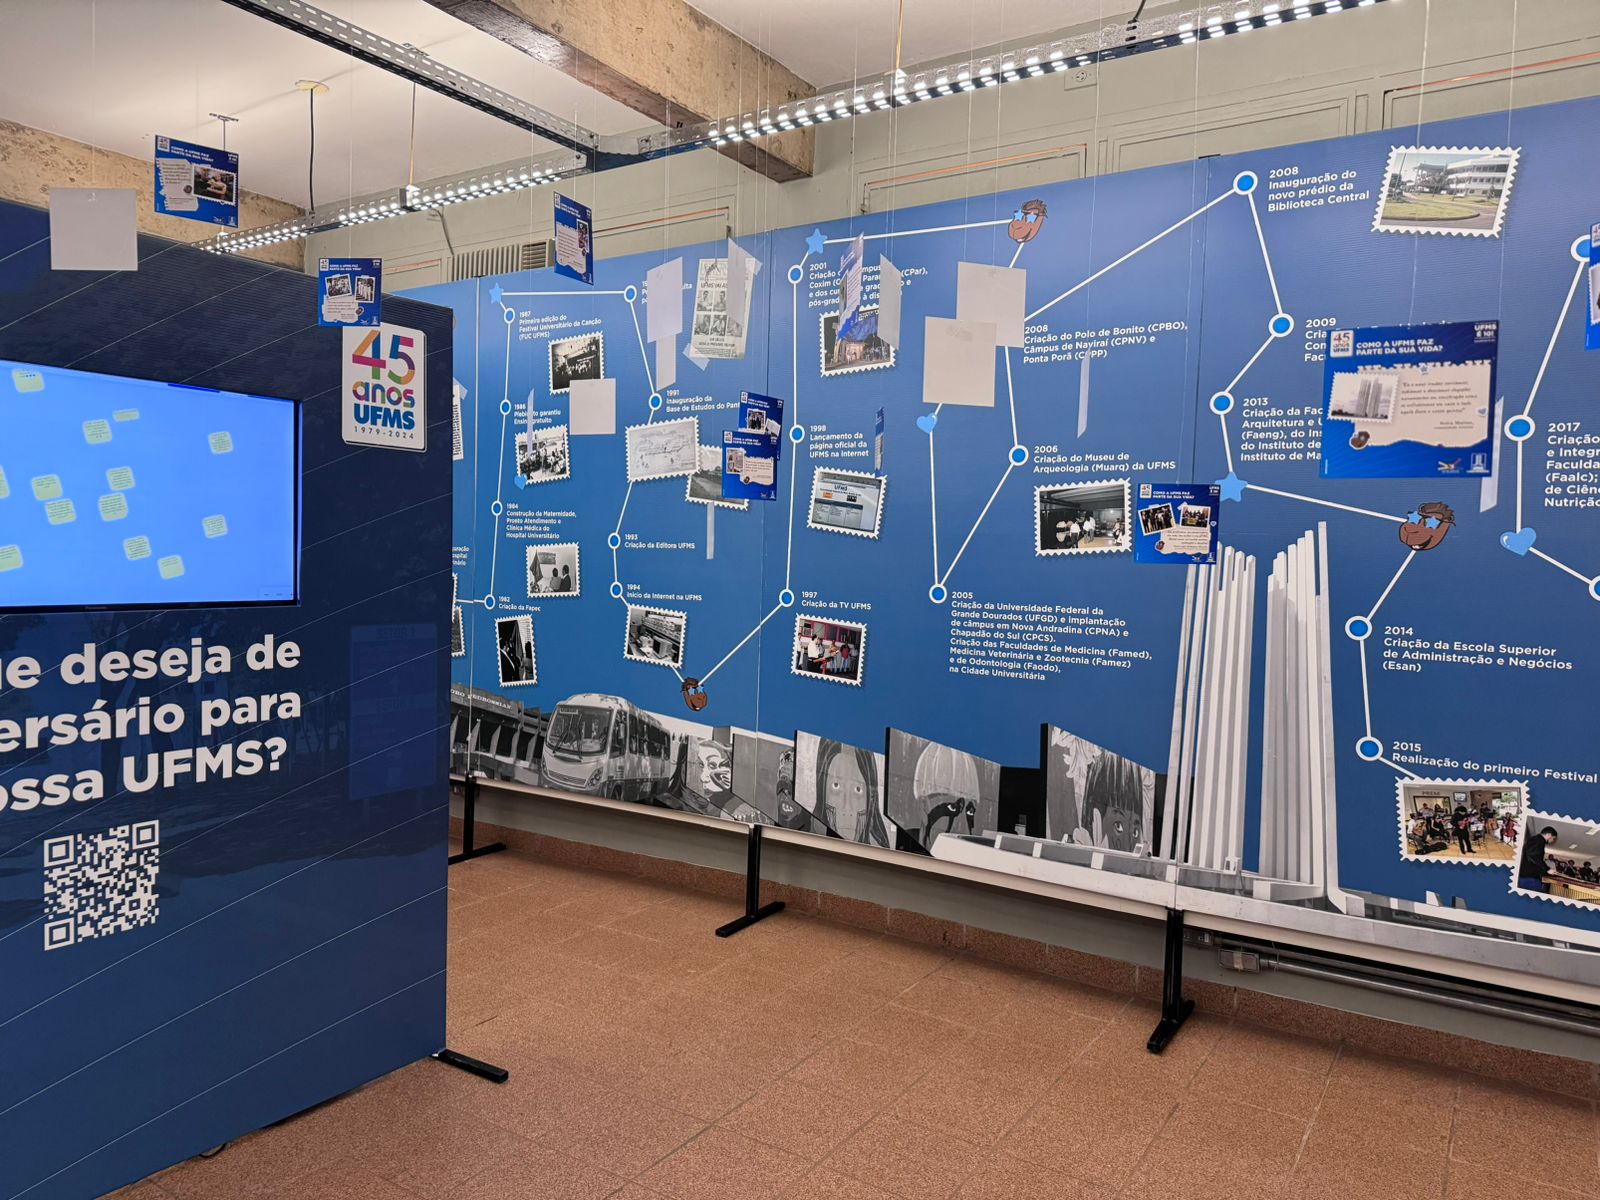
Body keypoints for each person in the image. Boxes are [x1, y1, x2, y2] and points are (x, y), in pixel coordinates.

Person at [1518, 825, 1558, 893]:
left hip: (1527, 876)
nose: (1552, 841)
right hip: (1530, 878)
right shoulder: (1539, 840)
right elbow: (1533, 857)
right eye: (1553, 838)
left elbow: (1535, 858)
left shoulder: (1535, 840)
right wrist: (1548, 869)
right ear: (1549, 835)